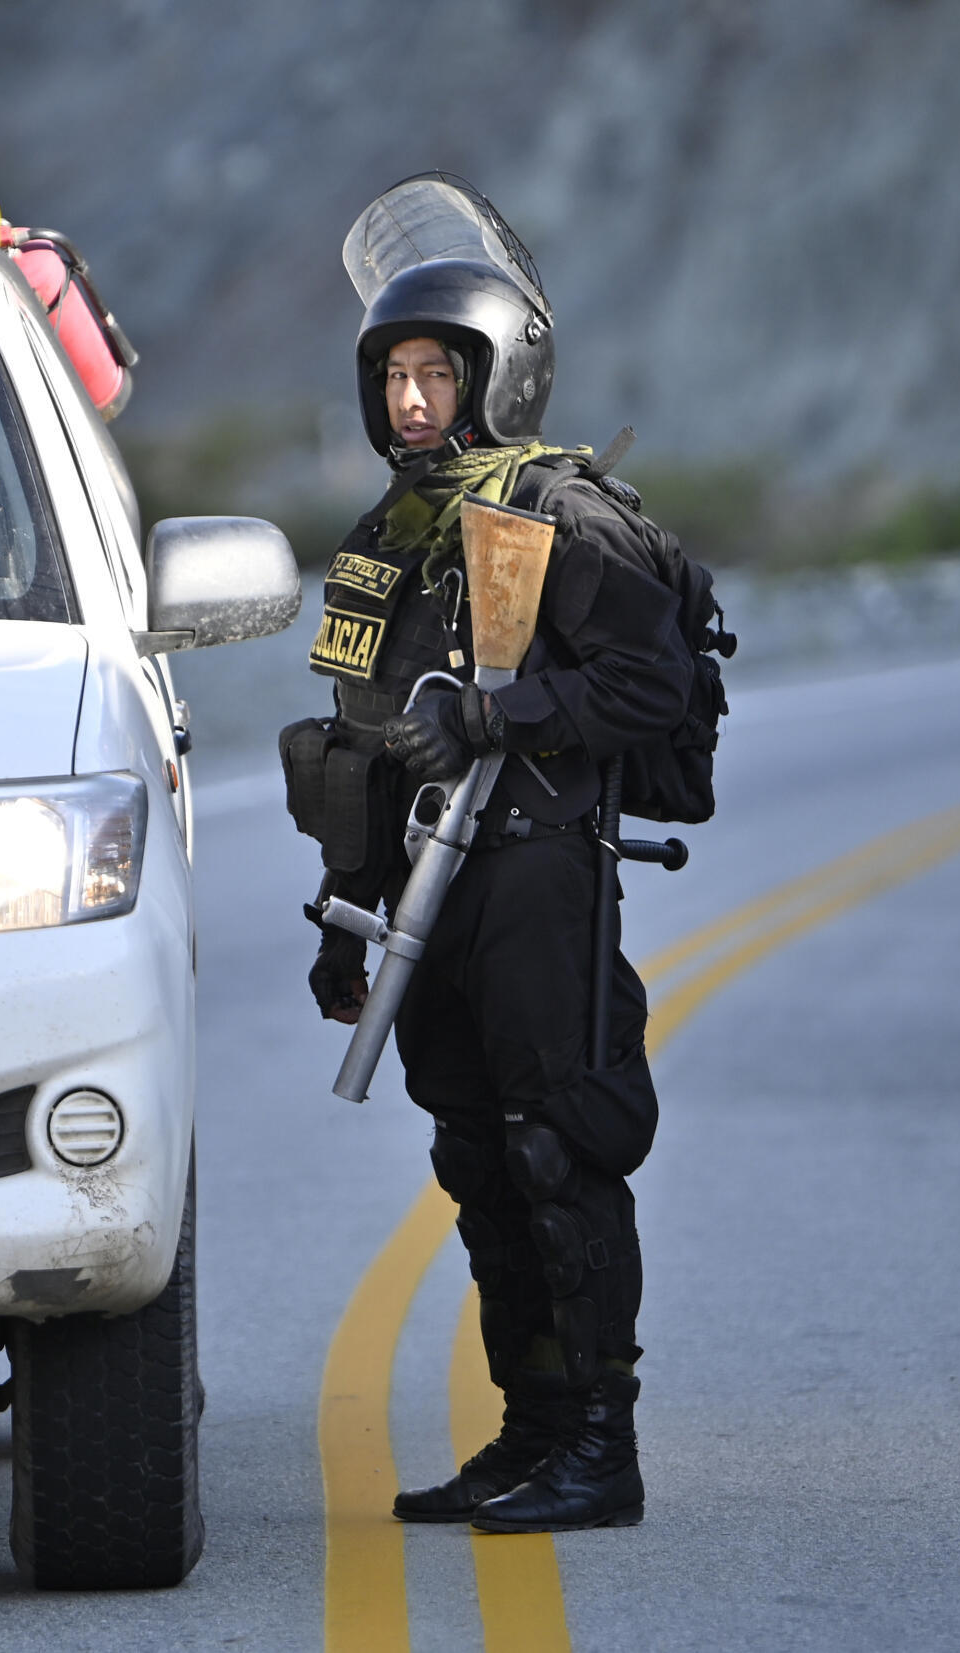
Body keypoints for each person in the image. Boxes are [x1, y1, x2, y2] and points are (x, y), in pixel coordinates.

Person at [304, 176, 691, 1532]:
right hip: (421, 899)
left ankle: (600, 1444)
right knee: (476, 1158)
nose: (412, 400)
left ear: (496, 376)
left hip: (535, 871)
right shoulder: (383, 543)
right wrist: (338, 918)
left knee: (554, 1149)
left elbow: (655, 688)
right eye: (395, 375)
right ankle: (528, 1436)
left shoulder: (555, 516)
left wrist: (504, 711)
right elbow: (356, 737)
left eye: (436, 372)